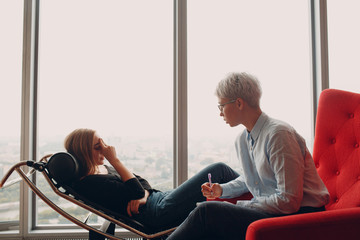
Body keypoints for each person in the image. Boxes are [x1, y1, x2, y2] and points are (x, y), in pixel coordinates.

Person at [167, 72, 330, 240]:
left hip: (302, 218)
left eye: (221, 106)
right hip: (275, 213)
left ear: (238, 103)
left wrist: (244, 205)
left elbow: (289, 201)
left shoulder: (279, 135)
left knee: (206, 213)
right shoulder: (243, 140)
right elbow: (250, 178)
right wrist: (222, 190)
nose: (220, 113)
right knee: (209, 219)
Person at [64, 128, 240, 231]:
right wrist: (115, 160)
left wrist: (143, 196)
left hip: (157, 199)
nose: (104, 150)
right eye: (97, 147)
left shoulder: (100, 169)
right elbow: (136, 188)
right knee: (219, 170)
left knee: (218, 180)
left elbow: (141, 182)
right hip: (158, 212)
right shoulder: (89, 184)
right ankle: (260, 201)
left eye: (103, 146)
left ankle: (255, 204)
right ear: (83, 151)